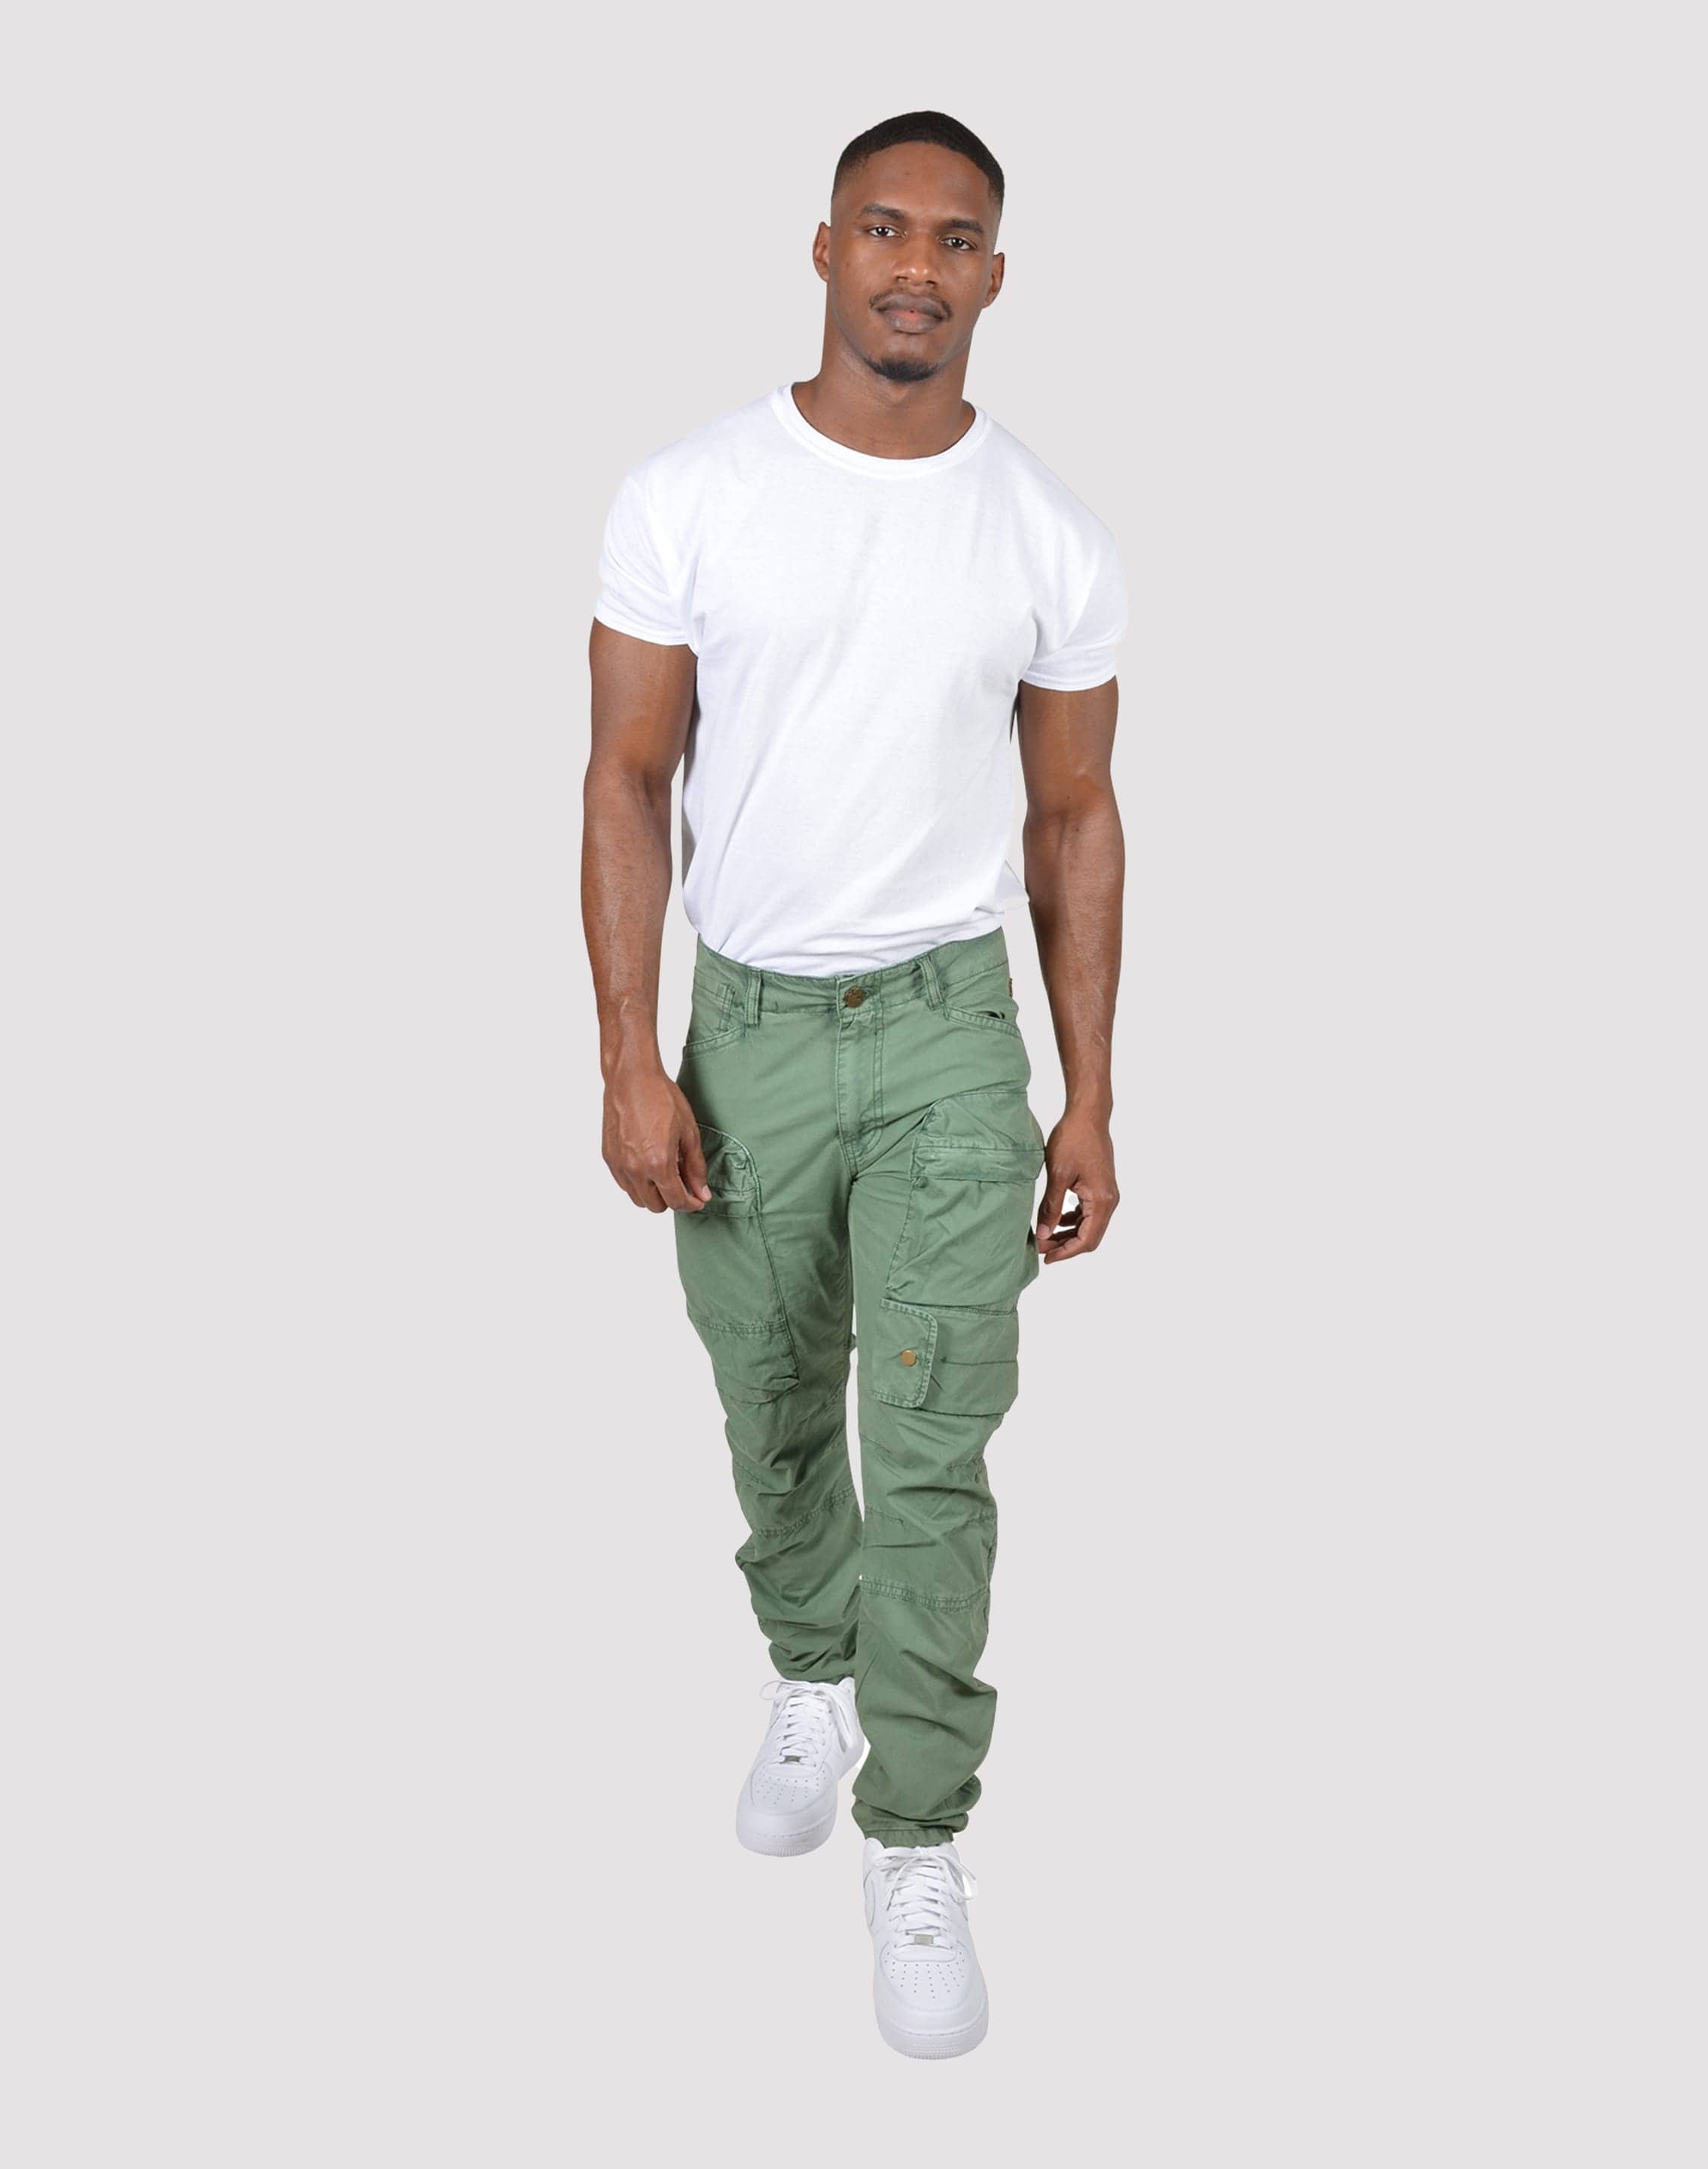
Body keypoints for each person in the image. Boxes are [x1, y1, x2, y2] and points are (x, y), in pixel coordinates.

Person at [583, 109, 1126, 2059]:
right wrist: (628, 1055)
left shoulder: (1047, 531)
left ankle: (919, 1828)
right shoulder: (688, 495)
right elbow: (625, 777)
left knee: (933, 1437)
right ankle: (807, 1663)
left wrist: (1087, 1095)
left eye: (955, 238)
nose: (916, 264)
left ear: (995, 276)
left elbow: (1074, 818)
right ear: (823, 250)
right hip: (744, 1025)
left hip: (943, 1030)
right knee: (767, 1395)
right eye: (883, 228)